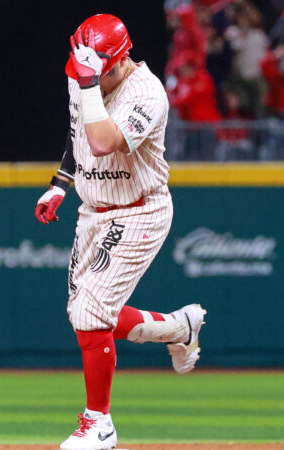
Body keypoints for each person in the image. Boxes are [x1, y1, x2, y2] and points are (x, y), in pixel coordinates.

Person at [35, 14, 207, 450]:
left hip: (139, 210)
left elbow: (103, 140)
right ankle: (175, 328)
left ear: (119, 59)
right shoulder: (86, 78)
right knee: (84, 315)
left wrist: (89, 83)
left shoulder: (147, 93)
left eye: (93, 71)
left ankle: (100, 424)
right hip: (93, 209)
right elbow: (79, 136)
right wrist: (60, 185)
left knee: (93, 310)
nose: (83, 76)